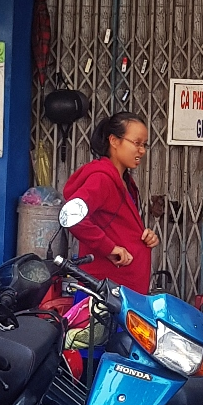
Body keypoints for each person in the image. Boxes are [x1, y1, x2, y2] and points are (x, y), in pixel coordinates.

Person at [62, 110, 160, 294]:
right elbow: (71, 216)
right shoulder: (102, 179)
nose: (142, 150)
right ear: (114, 141)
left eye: (144, 144)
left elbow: (119, 226)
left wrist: (145, 236)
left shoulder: (125, 181)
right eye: (137, 143)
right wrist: (108, 248)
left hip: (123, 286)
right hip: (105, 290)